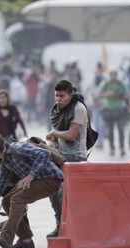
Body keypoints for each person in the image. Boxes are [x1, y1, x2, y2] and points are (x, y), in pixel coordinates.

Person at [0, 135, 63, 248]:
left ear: (2, 147)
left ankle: (5, 238)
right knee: (6, 201)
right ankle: (25, 239)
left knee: (17, 198)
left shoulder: (19, 148)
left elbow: (44, 154)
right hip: (37, 182)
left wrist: (31, 175)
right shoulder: (5, 163)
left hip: (51, 179)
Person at [46, 79, 88, 237]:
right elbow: (59, 135)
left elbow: (71, 135)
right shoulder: (57, 109)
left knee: (64, 193)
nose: (58, 99)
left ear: (71, 94)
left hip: (76, 158)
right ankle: (60, 225)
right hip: (60, 155)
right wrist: (53, 140)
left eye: (62, 96)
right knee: (51, 188)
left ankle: (73, 227)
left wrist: (54, 133)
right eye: (56, 96)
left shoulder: (79, 109)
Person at [99, 69, 128, 156]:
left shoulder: (121, 84)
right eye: (111, 74)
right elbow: (99, 94)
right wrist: (108, 94)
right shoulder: (105, 84)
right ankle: (112, 149)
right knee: (110, 131)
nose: (113, 76)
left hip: (120, 109)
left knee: (121, 130)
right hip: (109, 109)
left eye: (115, 74)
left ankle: (122, 148)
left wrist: (120, 95)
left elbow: (127, 94)